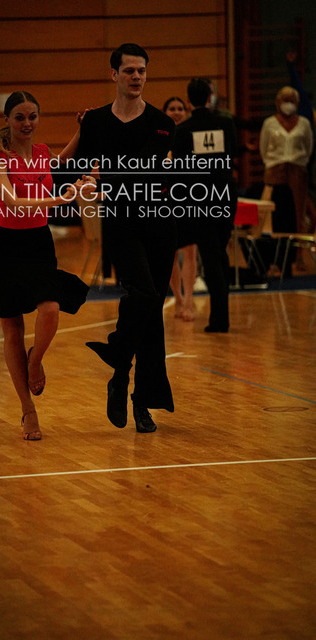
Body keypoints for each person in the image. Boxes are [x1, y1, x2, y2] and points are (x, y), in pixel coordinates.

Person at [0, 91, 95, 441]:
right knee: (12, 328)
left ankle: (35, 359)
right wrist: (59, 199)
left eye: (33, 117)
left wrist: (82, 130)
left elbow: (60, 163)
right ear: (7, 120)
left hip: (39, 244)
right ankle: (28, 409)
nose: (27, 123)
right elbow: (11, 201)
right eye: (20, 117)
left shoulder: (40, 153)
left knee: (50, 308)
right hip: (6, 248)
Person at [75, 43, 177, 433]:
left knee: (150, 311)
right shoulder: (96, 121)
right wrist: (83, 137)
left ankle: (136, 396)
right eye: (129, 70)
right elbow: (77, 168)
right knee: (144, 295)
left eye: (142, 71)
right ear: (114, 74)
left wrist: (104, 176)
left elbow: (143, 170)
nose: (136, 77)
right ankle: (120, 370)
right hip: (121, 222)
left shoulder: (162, 123)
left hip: (159, 224)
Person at [172, 77, 238, 333]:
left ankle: (220, 319)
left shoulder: (183, 130)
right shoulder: (225, 123)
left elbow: (179, 171)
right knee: (219, 253)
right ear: (210, 97)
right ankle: (221, 315)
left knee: (211, 257)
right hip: (225, 195)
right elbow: (231, 155)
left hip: (200, 199)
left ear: (188, 100)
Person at [260, 85, 314, 244]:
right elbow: (263, 148)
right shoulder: (269, 123)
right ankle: (276, 248)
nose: (288, 104)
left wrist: (299, 164)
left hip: (297, 170)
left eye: (292, 101)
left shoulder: (304, 123)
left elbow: (308, 147)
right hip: (275, 170)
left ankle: (297, 250)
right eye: (286, 100)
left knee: (298, 211)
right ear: (278, 102)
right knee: (276, 212)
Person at [163, 96, 197, 321]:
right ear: (165, 112)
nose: (176, 112)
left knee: (191, 250)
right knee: (171, 253)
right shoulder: (160, 137)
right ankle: (178, 297)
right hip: (166, 200)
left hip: (189, 198)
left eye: (180, 108)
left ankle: (189, 299)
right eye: (172, 109)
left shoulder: (192, 135)